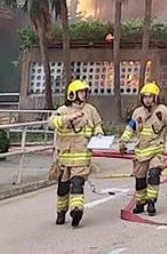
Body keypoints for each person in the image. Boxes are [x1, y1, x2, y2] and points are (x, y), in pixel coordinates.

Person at [120, 82, 167, 216]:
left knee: (154, 175)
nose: (147, 99)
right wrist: (123, 141)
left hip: (156, 152)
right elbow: (130, 129)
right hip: (141, 153)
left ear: (156, 98)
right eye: (145, 97)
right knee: (140, 180)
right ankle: (140, 203)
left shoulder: (163, 111)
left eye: (150, 97)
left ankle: (151, 202)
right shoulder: (138, 113)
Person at [50, 79, 103, 227]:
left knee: (77, 184)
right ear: (72, 94)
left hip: (82, 157)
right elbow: (51, 122)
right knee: (63, 188)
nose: (84, 95)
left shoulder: (90, 110)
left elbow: (98, 124)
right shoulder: (63, 110)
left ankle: (77, 210)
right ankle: (61, 212)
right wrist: (68, 118)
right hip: (64, 159)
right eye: (81, 92)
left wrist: (99, 133)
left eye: (85, 92)